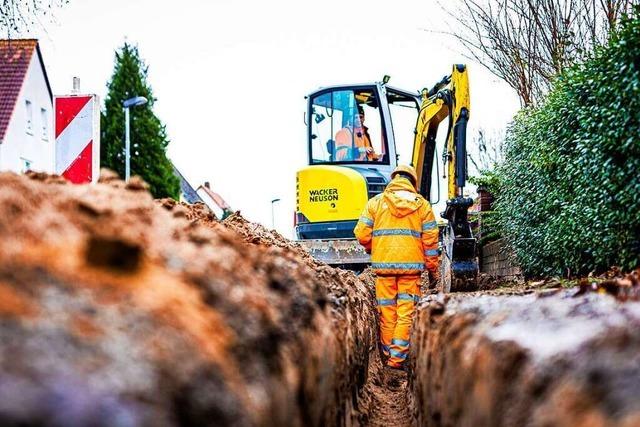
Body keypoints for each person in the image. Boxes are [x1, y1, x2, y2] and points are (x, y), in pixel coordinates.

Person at [353, 165, 440, 371]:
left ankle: (387, 358)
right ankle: (397, 361)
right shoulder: (423, 206)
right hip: (411, 272)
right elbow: (430, 243)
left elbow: (362, 234)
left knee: (387, 314)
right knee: (406, 315)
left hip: (384, 270)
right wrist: (433, 269)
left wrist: (374, 248)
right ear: (412, 182)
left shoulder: (375, 203)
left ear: (393, 179)